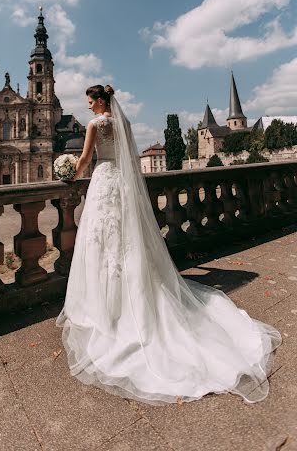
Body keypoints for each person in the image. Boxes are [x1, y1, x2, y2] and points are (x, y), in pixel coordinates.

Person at [55, 84, 282, 405]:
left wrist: (66, 173)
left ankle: (107, 304)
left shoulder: (96, 125)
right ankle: (132, 296)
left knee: (102, 240)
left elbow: (86, 159)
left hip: (105, 179)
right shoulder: (125, 124)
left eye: (91, 102)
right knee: (127, 240)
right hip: (122, 182)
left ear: (101, 101)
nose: (89, 107)